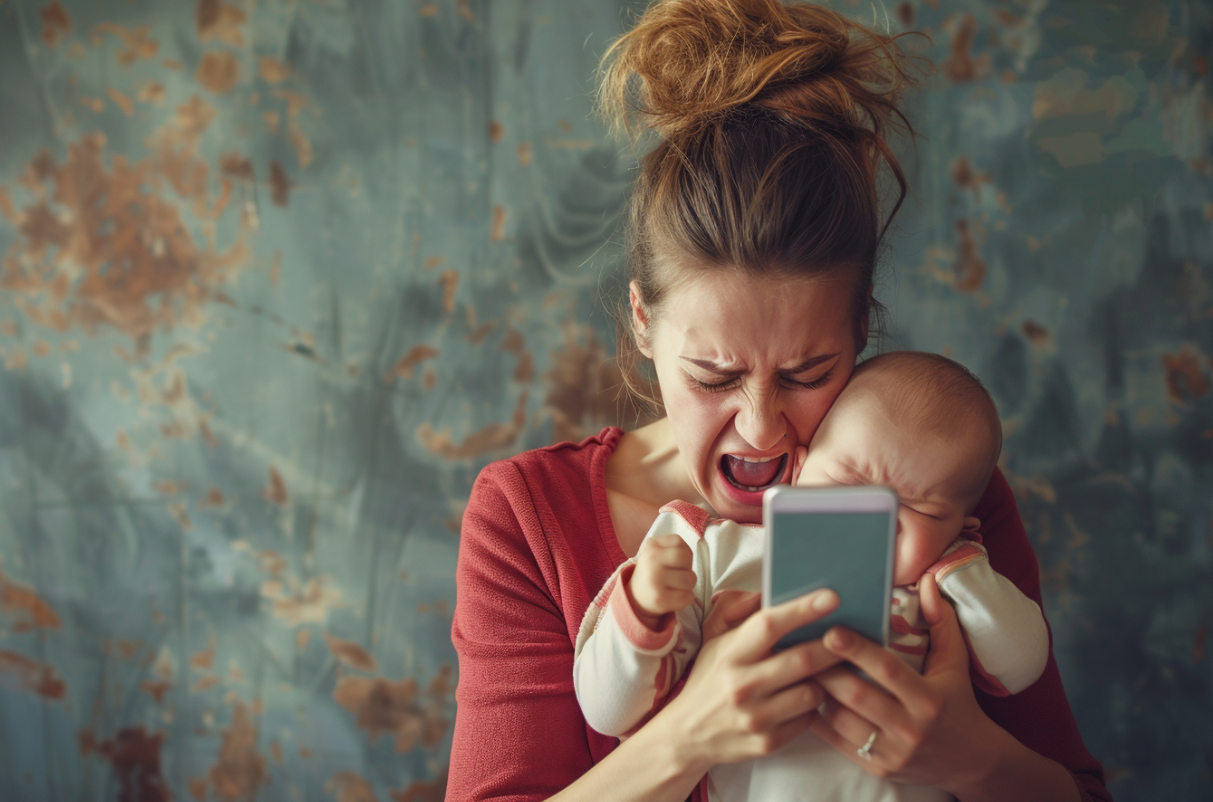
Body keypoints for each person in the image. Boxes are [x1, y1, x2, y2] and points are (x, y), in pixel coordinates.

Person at [445, 1, 1111, 800]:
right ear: (643, 322)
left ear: (861, 326)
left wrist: (967, 758)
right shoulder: (529, 516)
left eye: (804, 374)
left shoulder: (927, 494)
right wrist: (690, 734)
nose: (760, 427)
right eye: (714, 377)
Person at [571, 351, 1052, 801]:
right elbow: (610, 710)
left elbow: (1022, 664)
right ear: (797, 473)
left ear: (960, 528)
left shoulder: (940, 589)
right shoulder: (717, 551)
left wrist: (961, 570)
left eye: (915, 510)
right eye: (846, 486)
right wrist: (645, 608)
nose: (871, 521)